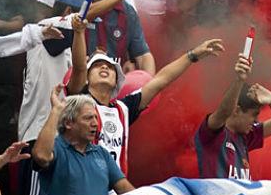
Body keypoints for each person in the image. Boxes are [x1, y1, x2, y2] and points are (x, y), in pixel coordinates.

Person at [67, 16, 224, 174]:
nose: (104, 68)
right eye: (97, 66)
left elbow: (161, 80)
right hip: (83, 187)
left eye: (109, 67)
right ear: (86, 78)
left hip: (113, 193)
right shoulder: (78, 102)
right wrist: (79, 33)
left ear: (117, 81)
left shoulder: (123, 110)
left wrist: (192, 55)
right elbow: (79, 67)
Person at [18, 0, 88, 195]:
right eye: (81, 20)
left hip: (63, 143)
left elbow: (79, 73)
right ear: (68, 13)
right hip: (36, 137)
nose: (84, 29)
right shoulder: (43, 29)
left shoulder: (71, 47)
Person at [32, 88, 135, 195]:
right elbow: (41, 156)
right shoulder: (56, 148)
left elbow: (125, 189)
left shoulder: (102, 153)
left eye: (96, 117)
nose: (95, 123)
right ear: (68, 123)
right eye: (88, 118)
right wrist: (56, 110)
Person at [195, 53, 271, 179]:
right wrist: (239, 79)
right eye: (253, 115)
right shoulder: (213, 133)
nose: (256, 121)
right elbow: (223, 112)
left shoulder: (246, 136)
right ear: (236, 110)